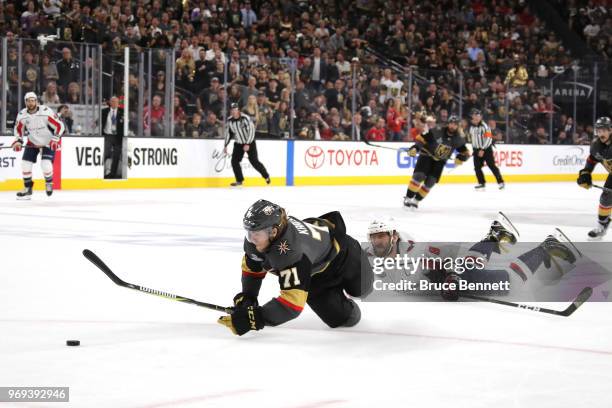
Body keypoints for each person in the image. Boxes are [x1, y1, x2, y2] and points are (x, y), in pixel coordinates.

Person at [217, 199, 374, 336]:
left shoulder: (291, 253)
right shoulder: (257, 242)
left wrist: (254, 318)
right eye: (248, 232)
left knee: (362, 291)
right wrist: (249, 297)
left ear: (273, 232)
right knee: (345, 319)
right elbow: (252, 267)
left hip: (345, 257)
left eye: (256, 233)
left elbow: (291, 305)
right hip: (313, 275)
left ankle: (365, 264)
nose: (251, 238)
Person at [366, 213, 578, 301]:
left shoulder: (415, 249)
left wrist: (451, 277)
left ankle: (548, 246)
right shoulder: (370, 255)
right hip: (447, 282)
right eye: (374, 237)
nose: (378, 241)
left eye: (382, 236)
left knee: (510, 282)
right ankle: (494, 235)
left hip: (461, 279)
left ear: (393, 236)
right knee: (471, 262)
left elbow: (452, 253)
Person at [403, 115, 470, 209]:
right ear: (448, 123)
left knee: (430, 182)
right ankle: (408, 197)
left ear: (458, 126)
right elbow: (421, 138)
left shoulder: (459, 138)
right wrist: (415, 148)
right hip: (426, 155)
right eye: (451, 123)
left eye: (455, 124)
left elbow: (465, 152)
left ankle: (416, 200)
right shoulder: (437, 130)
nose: (452, 126)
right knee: (419, 176)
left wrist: (461, 158)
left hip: (440, 161)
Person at [11, 92, 65, 199]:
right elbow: (18, 131)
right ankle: (28, 189)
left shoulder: (45, 111)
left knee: (45, 164)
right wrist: (18, 141)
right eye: (28, 101)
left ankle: (49, 182)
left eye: (33, 100)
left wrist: (55, 139)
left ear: (36, 101)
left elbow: (59, 125)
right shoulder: (22, 115)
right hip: (33, 142)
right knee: (25, 164)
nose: (31, 103)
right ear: (25, 102)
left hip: (48, 141)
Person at [577, 117, 612, 238]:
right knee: (605, 199)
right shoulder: (596, 145)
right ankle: (602, 224)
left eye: (604, 130)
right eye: (599, 131)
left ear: (610, 130)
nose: (601, 134)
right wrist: (585, 173)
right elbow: (591, 160)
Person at [223, 103, 270, 187]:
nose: (233, 111)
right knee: (234, 161)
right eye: (232, 110)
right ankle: (239, 180)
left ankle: (266, 176)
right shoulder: (230, 120)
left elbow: (252, 131)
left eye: (235, 109)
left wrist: (247, 143)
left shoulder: (245, 118)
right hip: (238, 144)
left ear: (238, 110)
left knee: (254, 161)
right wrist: (225, 145)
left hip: (250, 142)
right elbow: (229, 133)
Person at [467, 109, 505, 190]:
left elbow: (489, 138)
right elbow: (473, 139)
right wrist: (475, 150)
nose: (476, 117)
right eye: (475, 115)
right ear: (472, 117)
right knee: (477, 167)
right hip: (477, 150)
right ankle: (481, 183)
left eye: (478, 115)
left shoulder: (485, 126)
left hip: (486, 149)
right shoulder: (471, 127)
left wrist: (482, 149)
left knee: (491, 165)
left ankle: (501, 182)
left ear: (481, 117)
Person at [101, 96, 124, 179]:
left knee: (116, 156)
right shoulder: (104, 111)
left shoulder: (123, 112)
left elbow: (126, 123)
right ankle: (101, 171)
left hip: (118, 137)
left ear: (118, 103)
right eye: (112, 101)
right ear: (110, 102)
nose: (114, 103)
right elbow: (99, 120)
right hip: (108, 135)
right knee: (105, 154)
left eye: (115, 101)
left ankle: (112, 174)